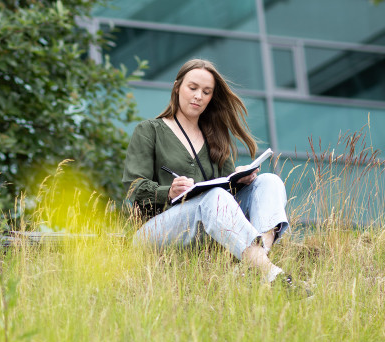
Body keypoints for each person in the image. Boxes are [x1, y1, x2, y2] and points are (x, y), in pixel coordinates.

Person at [122, 58, 292, 285]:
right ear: (177, 87)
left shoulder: (216, 137)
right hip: (155, 232)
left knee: (269, 181)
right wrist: (169, 191)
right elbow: (133, 186)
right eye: (192, 88)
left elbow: (227, 193)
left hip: (207, 230)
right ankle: (270, 273)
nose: (198, 96)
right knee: (214, 196)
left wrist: (242, 179)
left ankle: (256, 264)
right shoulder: (149, 130)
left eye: (206, 92)